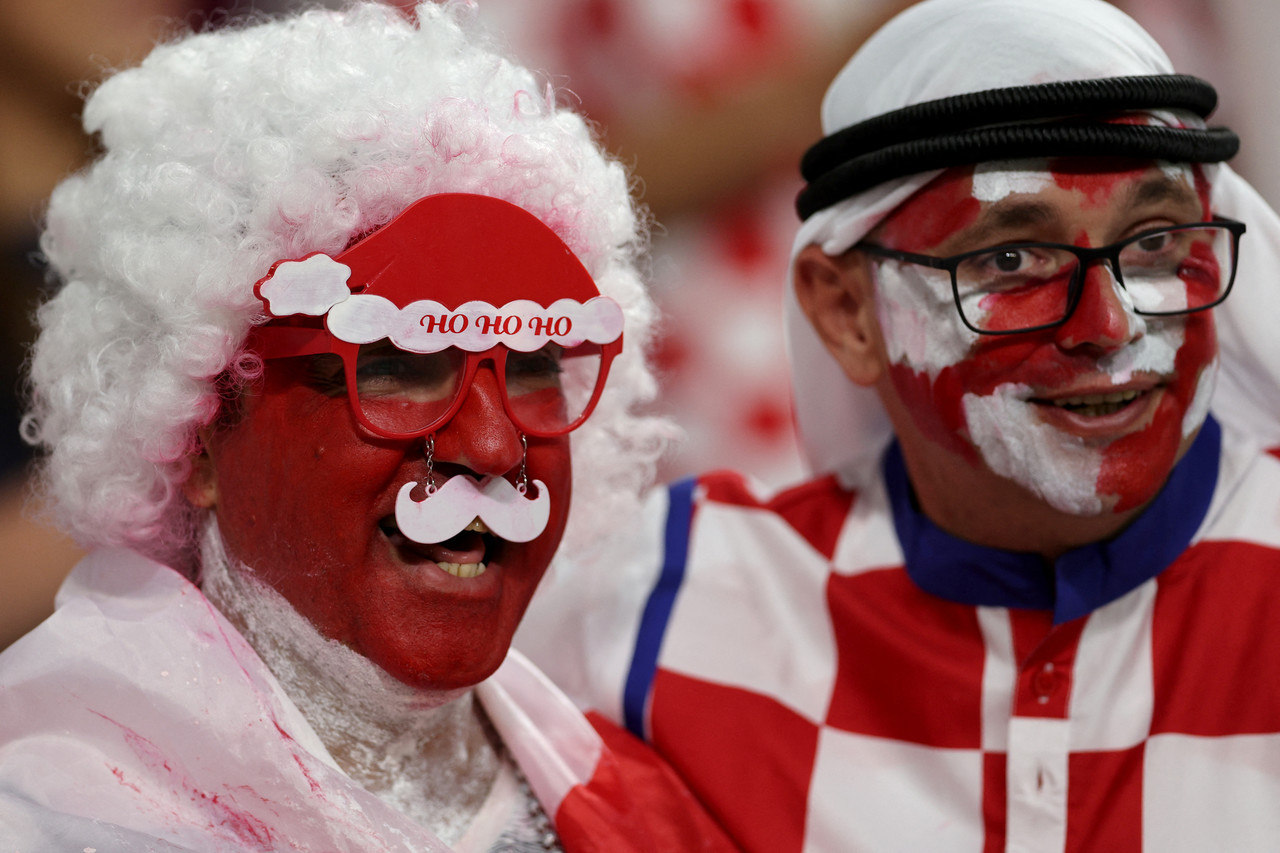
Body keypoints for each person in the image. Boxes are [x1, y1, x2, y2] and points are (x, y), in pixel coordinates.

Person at [516, 0, 1280, 849]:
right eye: (1013, 258)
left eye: (1156, 244)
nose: (1110, 325)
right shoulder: (664, 608)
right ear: (845, 312)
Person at [0, 4, 734, 851]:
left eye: (534, 366)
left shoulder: (651, 815)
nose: (493, 447)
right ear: (198, 432)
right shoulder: (50, 816)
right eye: (395, 366)